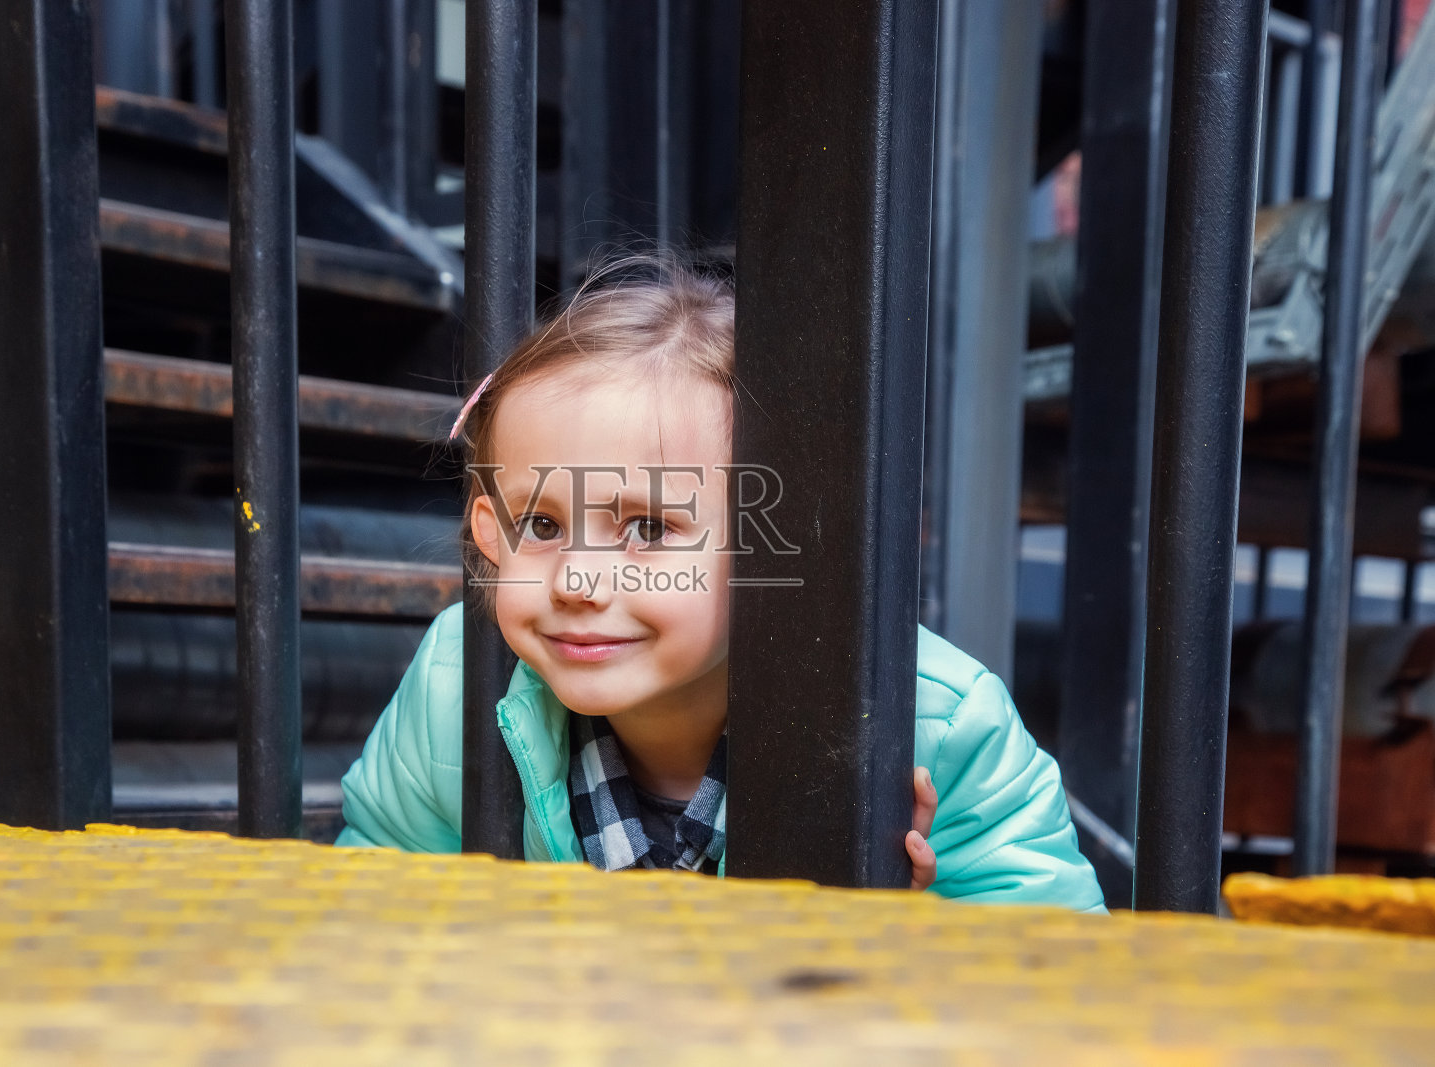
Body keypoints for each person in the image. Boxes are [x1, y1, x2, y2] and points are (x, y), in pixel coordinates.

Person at [336, 254, 1105, 913]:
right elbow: (373, 919)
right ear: (487, 533)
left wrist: (907, 935)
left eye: (648, 528)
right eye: (540, 526)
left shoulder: (935, 721)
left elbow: (1060, 979)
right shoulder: (457, 681)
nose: (576, 579)